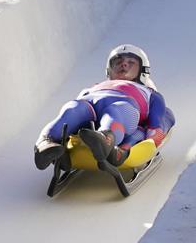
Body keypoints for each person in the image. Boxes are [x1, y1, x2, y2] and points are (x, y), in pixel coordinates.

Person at [34, 44, 175, 170]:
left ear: (142, 70)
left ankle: (105, 138)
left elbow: (158, 121)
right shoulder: (96, 86)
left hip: (123, 106)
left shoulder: (150, 93)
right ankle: (46, 143)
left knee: (118, 110)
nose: (124, 64)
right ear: (109, 70)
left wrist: (150, 136)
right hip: (89, 104)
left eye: (131, 62)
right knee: (73, 108)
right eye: (118, 62)